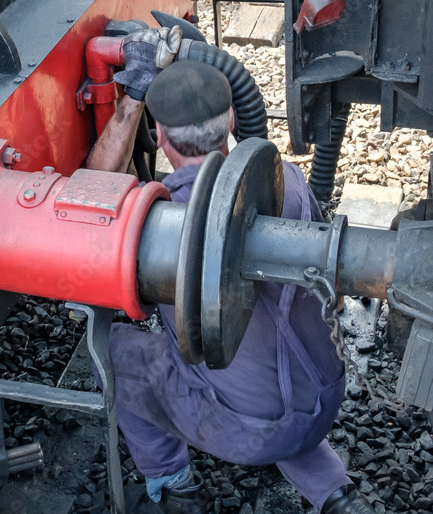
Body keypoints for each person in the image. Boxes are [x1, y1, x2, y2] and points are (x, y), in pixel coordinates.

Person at [86, 31, 374, 514]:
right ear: (233, 121)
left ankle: (173, 488)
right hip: (326, 399)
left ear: (160, 137)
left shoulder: (163, 223)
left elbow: (93, 201)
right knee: (274, 370)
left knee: (112, 351)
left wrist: (131, 98)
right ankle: (336, 493)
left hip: (249, 432)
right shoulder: (295, 185)